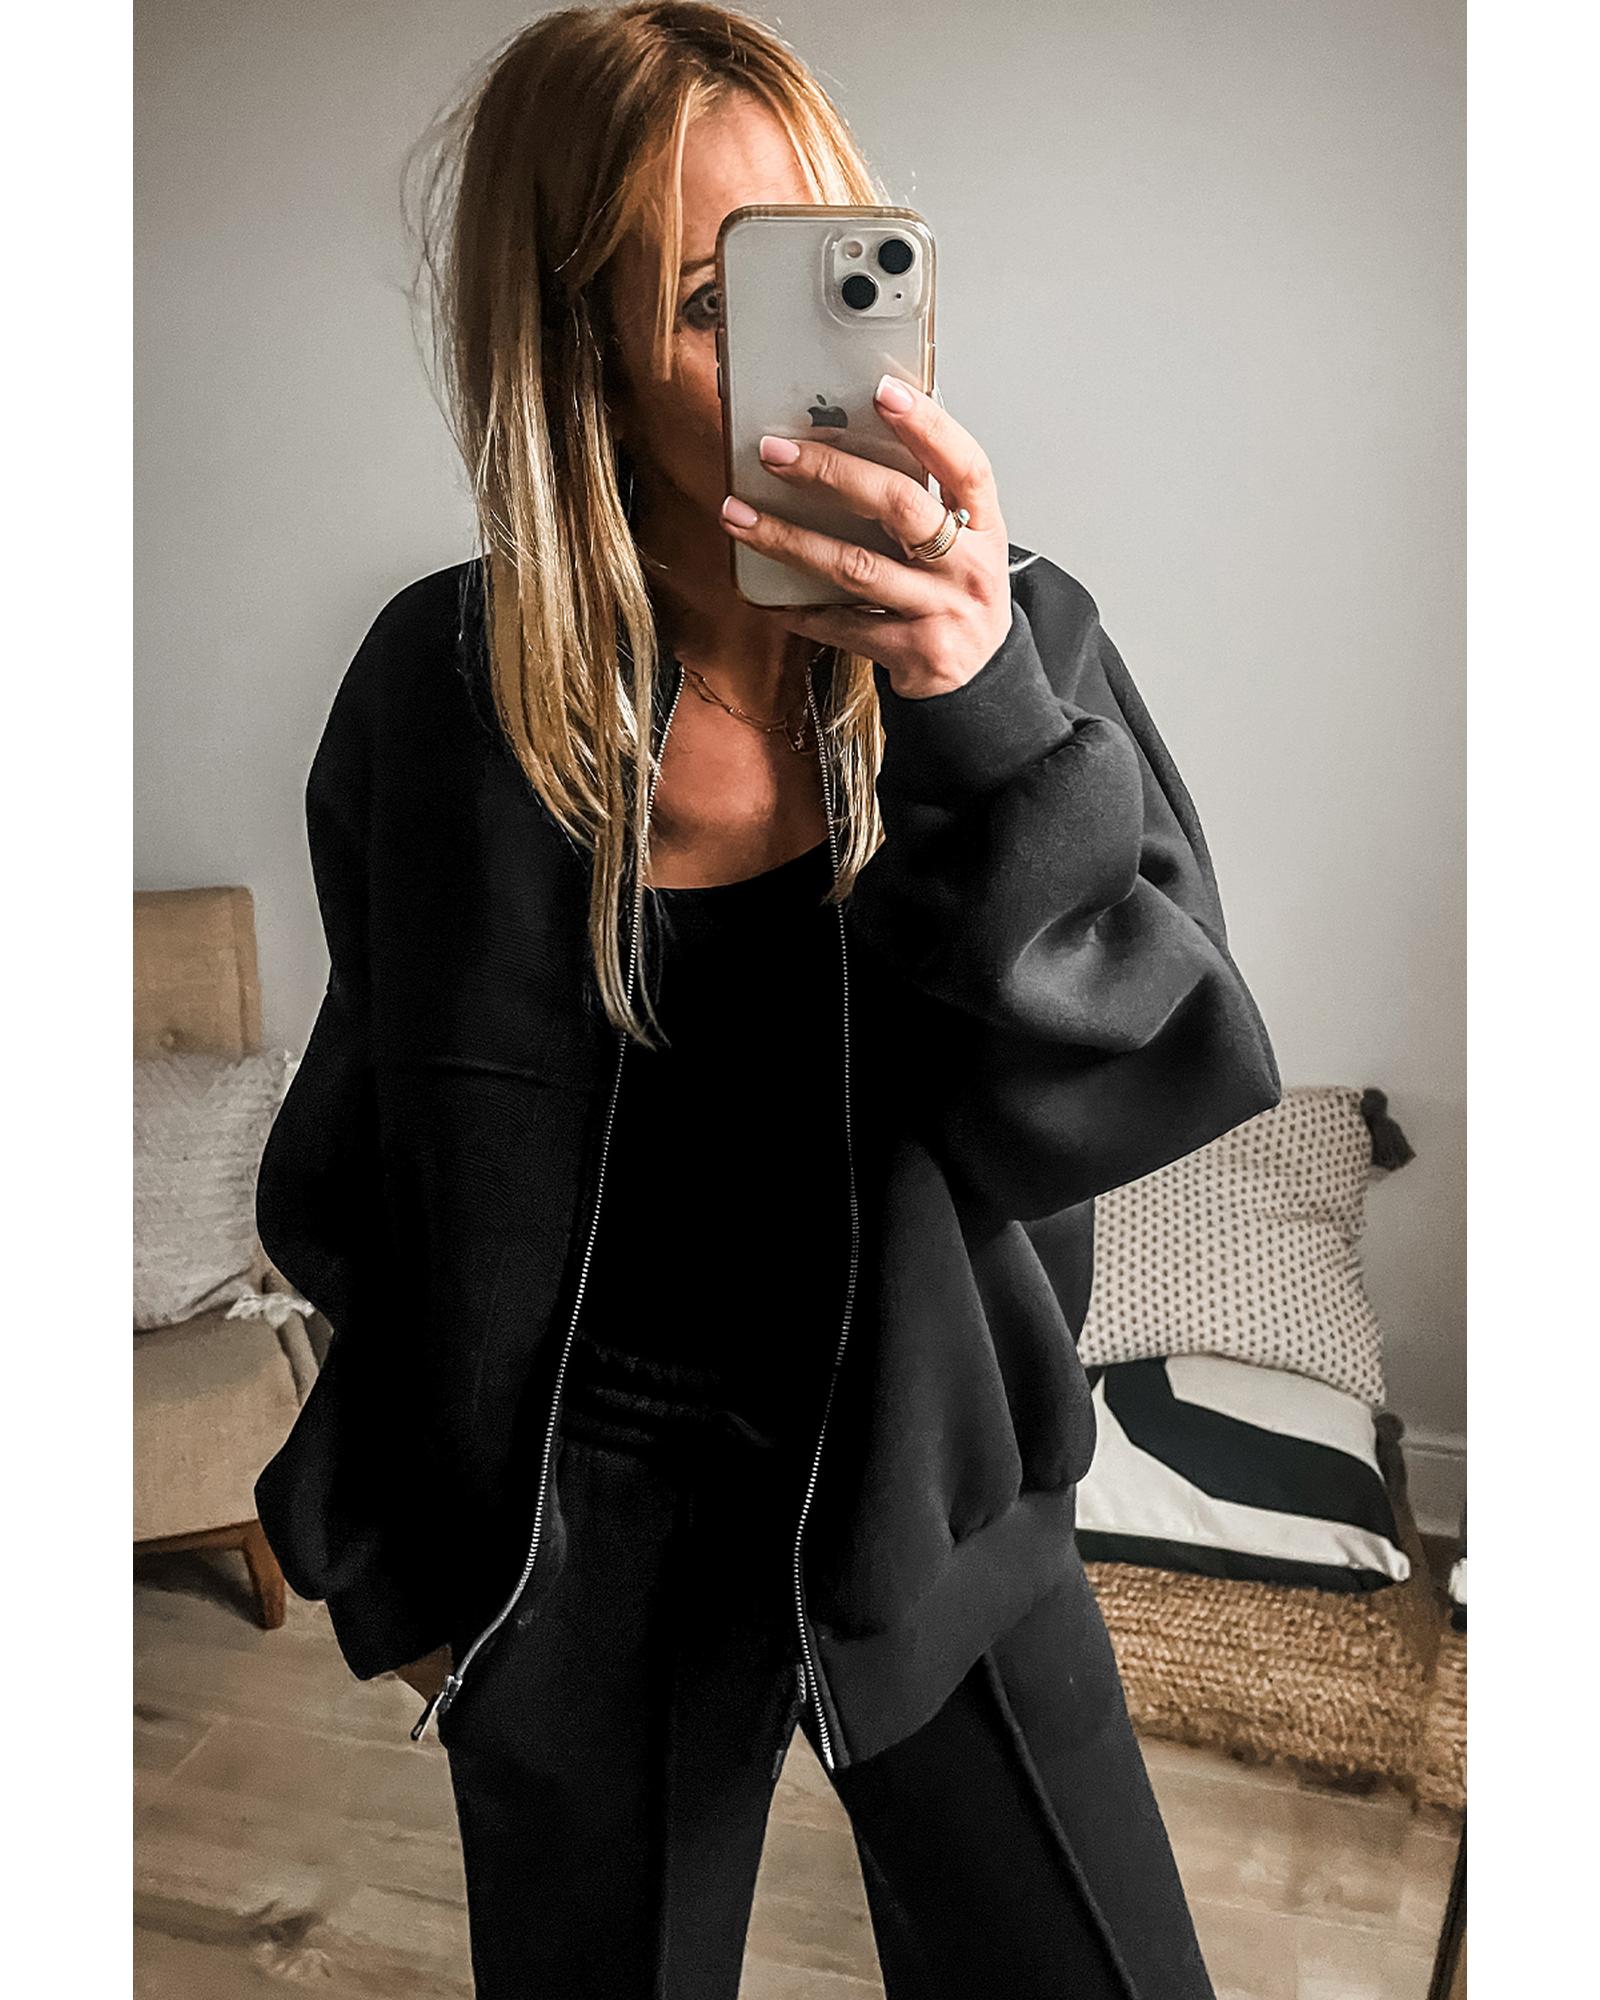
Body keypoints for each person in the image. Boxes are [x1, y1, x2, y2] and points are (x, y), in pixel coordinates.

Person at [253, 6, 1282, 1996]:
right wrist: (410, 1547)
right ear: (576, 351)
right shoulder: (441, 693)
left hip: (927, 1485)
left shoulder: (1019, 643)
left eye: (831, 265)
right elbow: (371, 1151)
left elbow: (1158, 1066)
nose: (815, 360)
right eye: (716, 300)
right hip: (582, 1533)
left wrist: (974, 707)